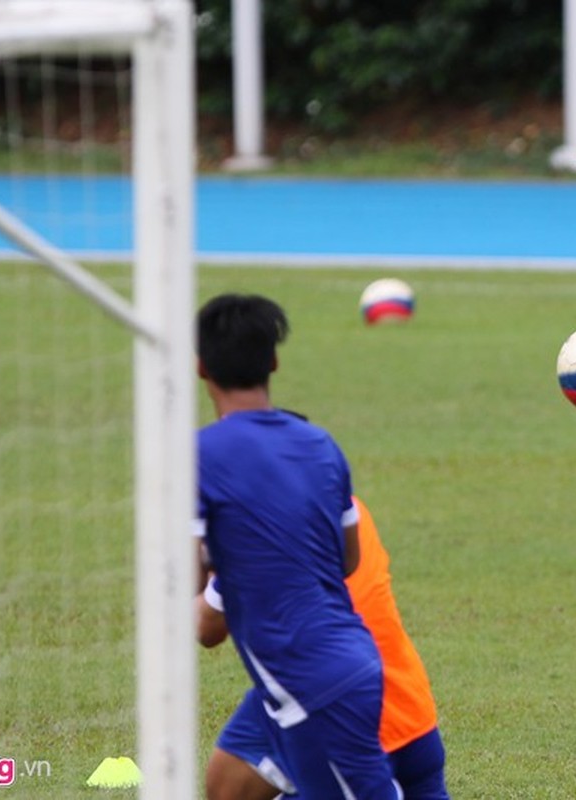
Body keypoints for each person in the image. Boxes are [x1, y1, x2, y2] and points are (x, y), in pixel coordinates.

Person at [193, 293, 399, 797]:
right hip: (319, 667)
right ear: (274, 363)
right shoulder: (320, 445)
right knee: (226, 787)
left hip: (312, 682)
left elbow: (192, 594)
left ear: (200, 368)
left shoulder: (199, 454)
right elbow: (347, 558)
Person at [197, 495, 450, 800]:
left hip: (334, 704)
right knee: (227, 785)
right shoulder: (345, 506)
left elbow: (207, 625)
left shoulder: (265, 527)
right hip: (405, 705)